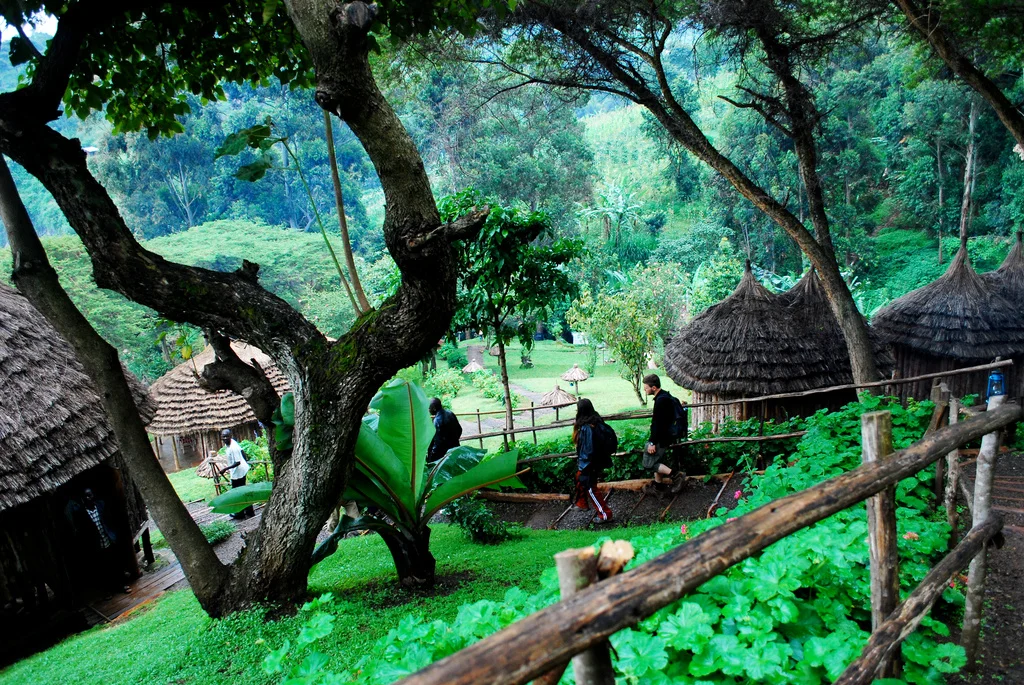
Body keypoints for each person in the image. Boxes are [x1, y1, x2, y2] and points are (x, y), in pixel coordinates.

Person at [643, 374, 686, 495]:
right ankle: (658, 486)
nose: (645, 390)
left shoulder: (661, 401)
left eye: (646, 388)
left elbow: (658, 424)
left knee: (648, 464)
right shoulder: (665, 396)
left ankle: (677, 476)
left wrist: (652, 442)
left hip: (661, 438)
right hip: (666, 436)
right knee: (657, 460)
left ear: (654, 387)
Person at [572, 398, 613, 523]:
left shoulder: (586, 428)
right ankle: (582, 503)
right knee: (579, 479)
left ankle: (605, 514)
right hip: (598, 460)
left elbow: (587, 450)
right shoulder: (597, 421)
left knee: (590, 487)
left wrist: (583, 466)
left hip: (589, 463)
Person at [220, 429, 254, 520]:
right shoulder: (231, 443)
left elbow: (237, 462)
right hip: (239, 471)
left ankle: (240, 514)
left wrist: (225, 469)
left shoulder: (233, 447)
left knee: (237, 493)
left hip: (238, 472)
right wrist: (245, 461)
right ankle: (249, 511)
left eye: (227, 436)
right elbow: (242, 451)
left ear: (231, 436)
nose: (225, 438)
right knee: (242, 491)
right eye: (223, 436)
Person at [427, 398, 463, 462]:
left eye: (429, 408)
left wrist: (431, 457)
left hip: (444, 455)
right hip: (455, 449)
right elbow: (459, 430)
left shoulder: (437, 421)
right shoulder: (450, 413)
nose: (428, 410)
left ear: (434, 408)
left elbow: (437, 442)